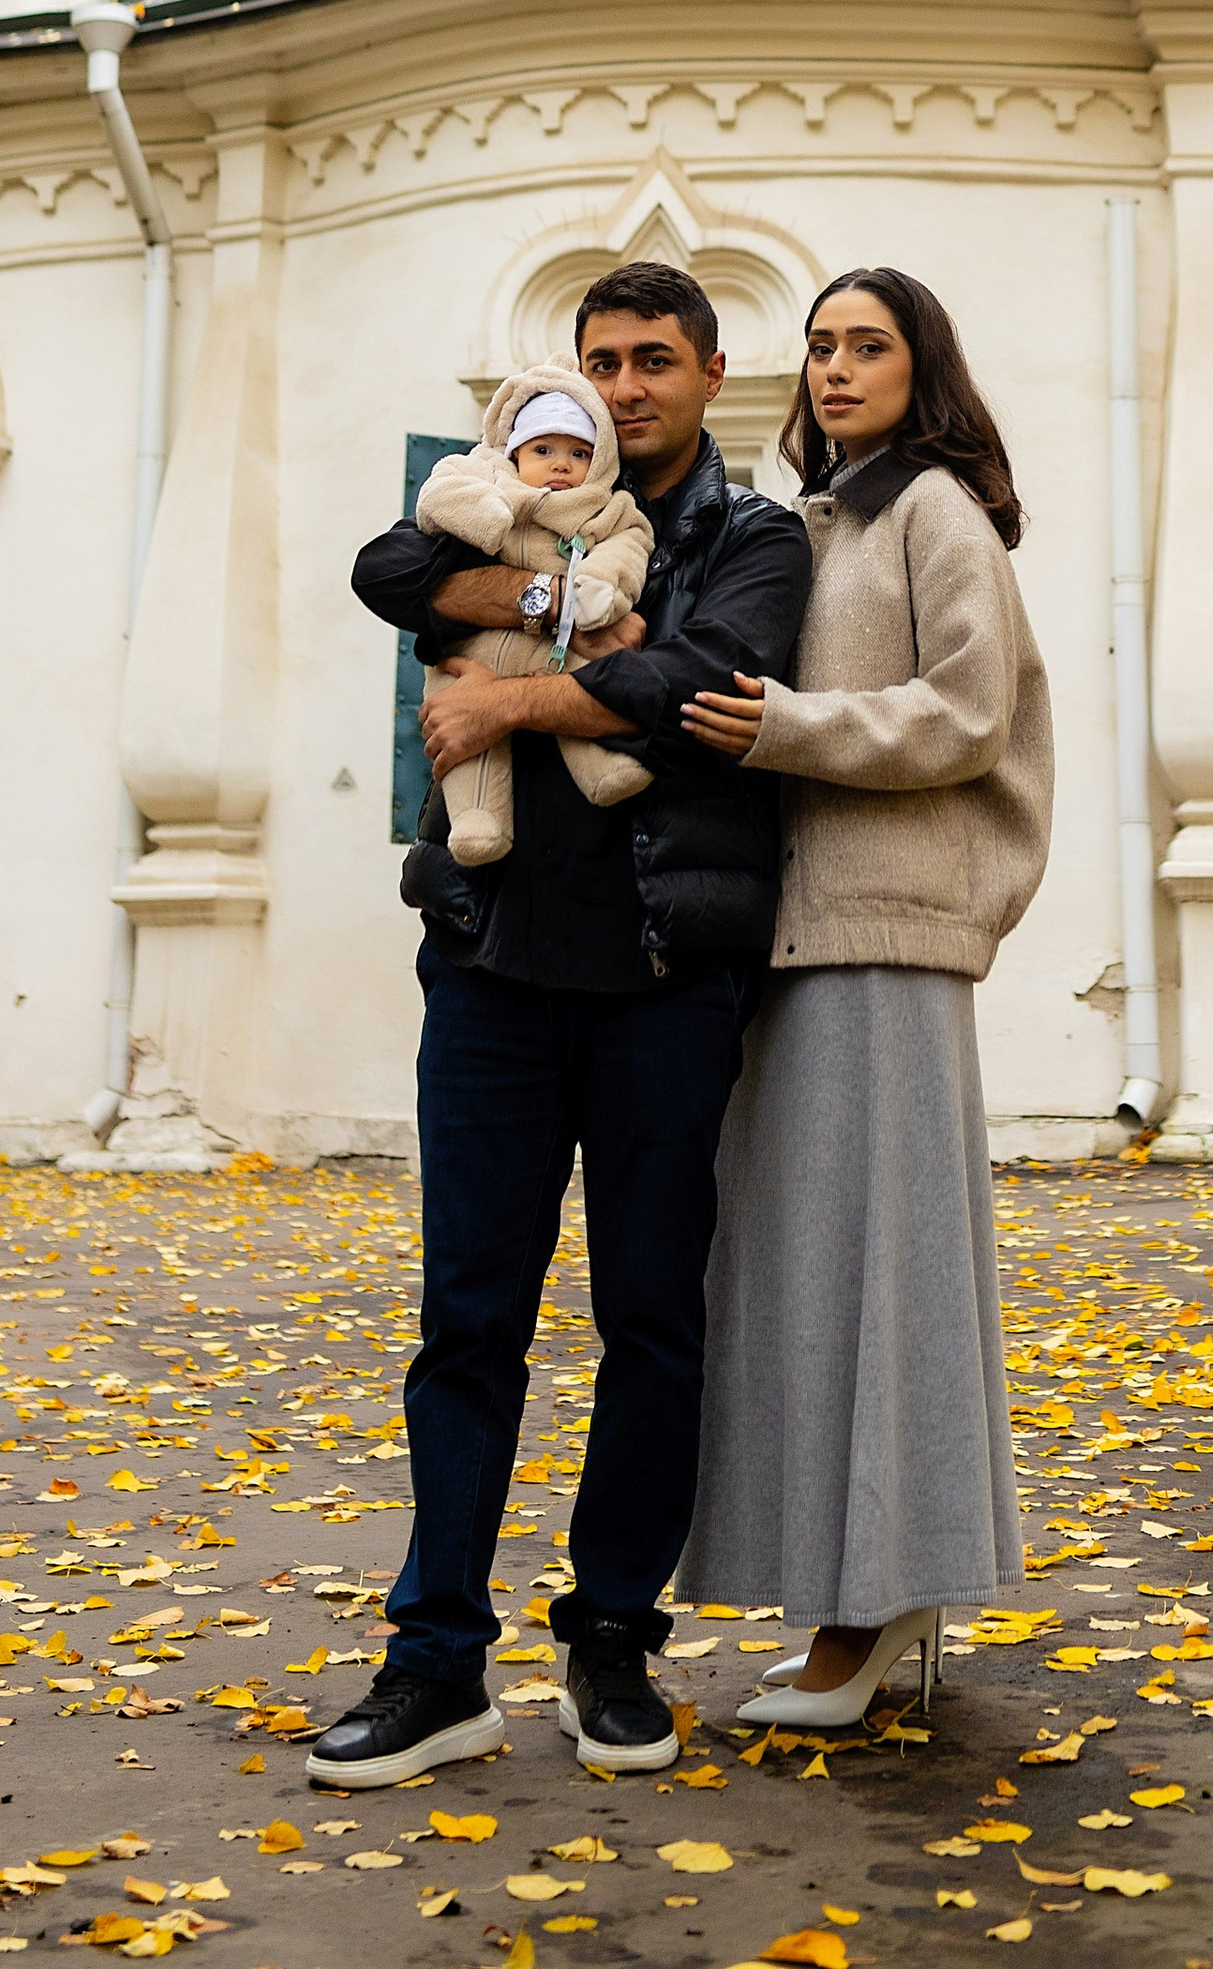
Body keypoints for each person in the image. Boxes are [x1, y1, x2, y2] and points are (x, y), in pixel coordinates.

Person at [313, 261, 813, 1792]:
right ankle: (435, 1665)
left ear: (714, 372)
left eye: (656, 359)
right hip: (488, 966)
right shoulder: (505, 488)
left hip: (668, 975)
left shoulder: (754, 534)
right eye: (603, 359)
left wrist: (509, 703)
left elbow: (694, 675)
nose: (628, 386)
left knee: (652, 1322)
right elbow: (390, 575)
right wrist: (544, 601)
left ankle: (611, 1641)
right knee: (469, 1322)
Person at [678, 265, 1053, 1730]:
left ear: (922, 368)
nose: (836, 369)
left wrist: (787, 724)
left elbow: (971, 710)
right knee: (816, 1278)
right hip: (804, 936)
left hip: (889, 938)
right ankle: (862, 1594)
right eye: (822, 346)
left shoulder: (936, 512)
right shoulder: (826, 521)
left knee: (888, 1277)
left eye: (870, 347)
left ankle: (886, 1599)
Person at [412, 366, 654, 864]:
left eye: (579, 453)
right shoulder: (488, 481)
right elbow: (434, 500)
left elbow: (631, 543)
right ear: (516, 450)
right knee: (464, 729)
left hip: (553, 648)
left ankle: (603, 768)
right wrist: (486, 514)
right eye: (543, 450)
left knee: (578, 687)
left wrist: (597, 589)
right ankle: (479, 818)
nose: (561, 466)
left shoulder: (602, 509)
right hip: (468, 655)